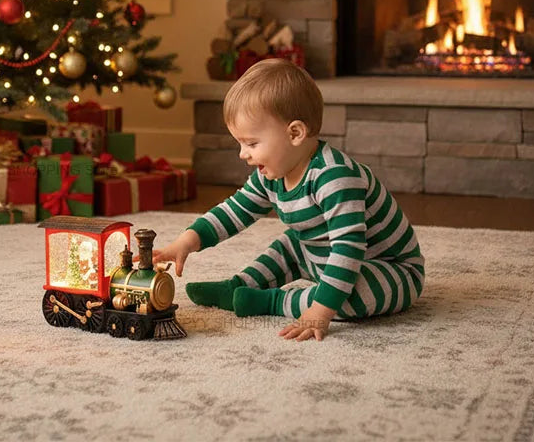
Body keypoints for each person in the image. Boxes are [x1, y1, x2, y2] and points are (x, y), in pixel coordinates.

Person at [152, 58, 425, 342]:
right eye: (240, 144)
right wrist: (186, 241)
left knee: (347, 298)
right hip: (322, 256)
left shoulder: (334, 177)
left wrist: (320, 310)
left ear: (295, 133)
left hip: (389, 269)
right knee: (290, 245)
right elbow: (234, 211)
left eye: (252, 143)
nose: (242, 154)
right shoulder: (272, 174)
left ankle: (272, 301)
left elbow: (349, 249)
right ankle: (236, 288)